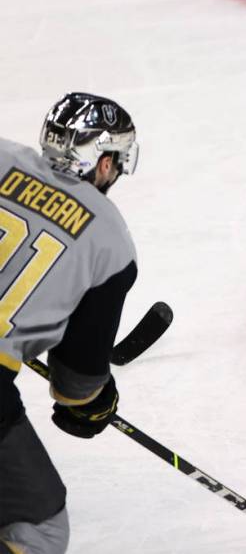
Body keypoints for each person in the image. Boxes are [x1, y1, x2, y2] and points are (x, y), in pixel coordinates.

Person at [0, 93, 139, 554]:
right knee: (38, 531)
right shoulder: (110, 240)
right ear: (102, 162)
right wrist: (93, 403)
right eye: (115, 162)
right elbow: (76, 383)